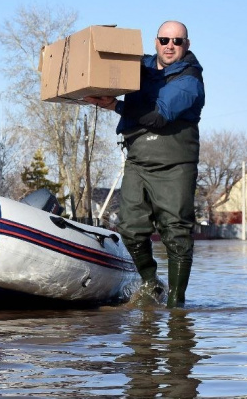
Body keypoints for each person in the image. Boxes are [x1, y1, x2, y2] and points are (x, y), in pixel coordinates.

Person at [83, 20, 205, 308]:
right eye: (165, 40)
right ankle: (151, 283)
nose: (170, 46)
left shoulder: (190, 81)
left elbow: (158, 116)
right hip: (138, 160)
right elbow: (108, 64)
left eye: (177, 41)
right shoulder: (141, 66)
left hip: (175, 166)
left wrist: (114, 105)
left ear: (186, 45)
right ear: (156, 42)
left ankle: (176, 305)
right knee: (130, 228)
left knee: (175, 231)